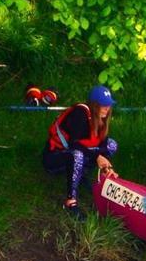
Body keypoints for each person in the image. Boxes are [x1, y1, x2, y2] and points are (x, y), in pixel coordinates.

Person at [43, 85, 119, 220]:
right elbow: (75, 145)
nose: (107, 108)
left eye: (109, 105)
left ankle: (82, 173)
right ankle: (70, 202)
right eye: (103, 105)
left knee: (112, 145)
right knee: (77, 155)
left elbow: (102, 145)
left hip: (75, 155)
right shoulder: (79, 113)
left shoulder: (100, 119)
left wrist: (107, 166)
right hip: (55, 157)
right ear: (94, 105)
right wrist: (97, 157)